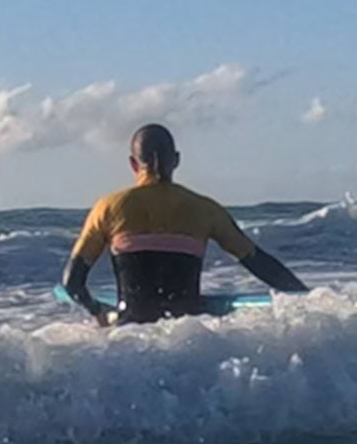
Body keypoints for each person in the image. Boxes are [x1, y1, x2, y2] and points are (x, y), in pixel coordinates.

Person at [62, 124, 306, 325]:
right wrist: (308, 299)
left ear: (133, 164)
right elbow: (262, 265)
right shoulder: (206, 209)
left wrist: (97, 311)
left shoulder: (108, 208)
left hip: (130, 336)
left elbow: (72, 284)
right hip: (188, 334)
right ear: (176, 160)